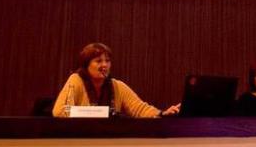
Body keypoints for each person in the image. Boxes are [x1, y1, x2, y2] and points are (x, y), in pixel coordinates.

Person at [52, 42, 180, 118]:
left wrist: (163, 114)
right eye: (98, 61)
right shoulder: (76, 80)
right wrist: (99, 113)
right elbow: (59, 111)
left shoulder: (117, 85)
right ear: (86, 65)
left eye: (107, 61)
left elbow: (140, 109)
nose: (104, 65)